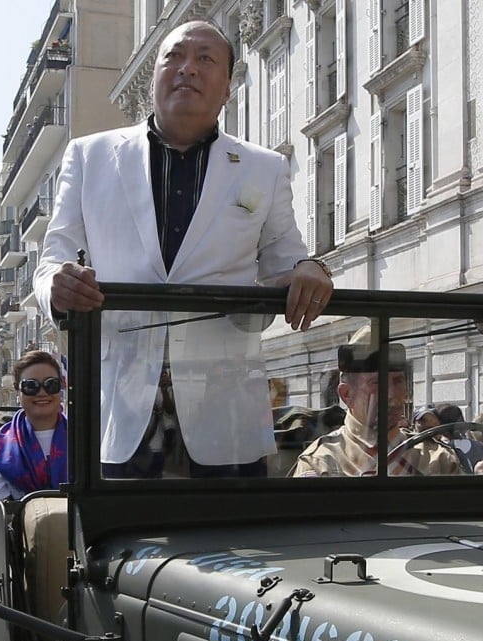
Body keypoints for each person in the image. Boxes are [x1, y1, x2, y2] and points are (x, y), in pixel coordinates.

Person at [34, 20, 333, 476]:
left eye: (205, 59)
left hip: (226, 417)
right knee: (120, 545)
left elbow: (285, 258)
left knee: (233, 545)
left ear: (227, 88)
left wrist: (310, 267)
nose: (186, 69)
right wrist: (56, 286)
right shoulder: (89, 156)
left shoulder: (264, 169)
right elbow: (54, 257)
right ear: (154, 74)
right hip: (121, 416)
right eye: (172, 56)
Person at [291, 331, 464, 477]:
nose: (391, 394)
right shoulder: (321, 463)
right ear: (346, 394)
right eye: (377, 383)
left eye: (398, 381)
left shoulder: (437, 460)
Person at [0, 351, 67, 502]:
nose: (42, 393)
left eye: (51, 384)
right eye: (31, 386)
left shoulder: (88, 442)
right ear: (17, 391)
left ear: (61, 387)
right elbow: (0, 517)